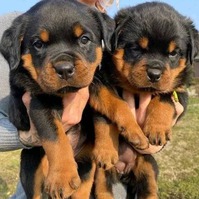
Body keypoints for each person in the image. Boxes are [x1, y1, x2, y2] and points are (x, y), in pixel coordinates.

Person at [0, 0, 184, 198]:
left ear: (105, 42)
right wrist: (27, 137)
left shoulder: (114, 27)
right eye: (38, 44)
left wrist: (149, 134)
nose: (64, 66)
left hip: (106, 180)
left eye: (84, 40)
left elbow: (108, 104)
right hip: (45, 177)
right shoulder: (20, 21)